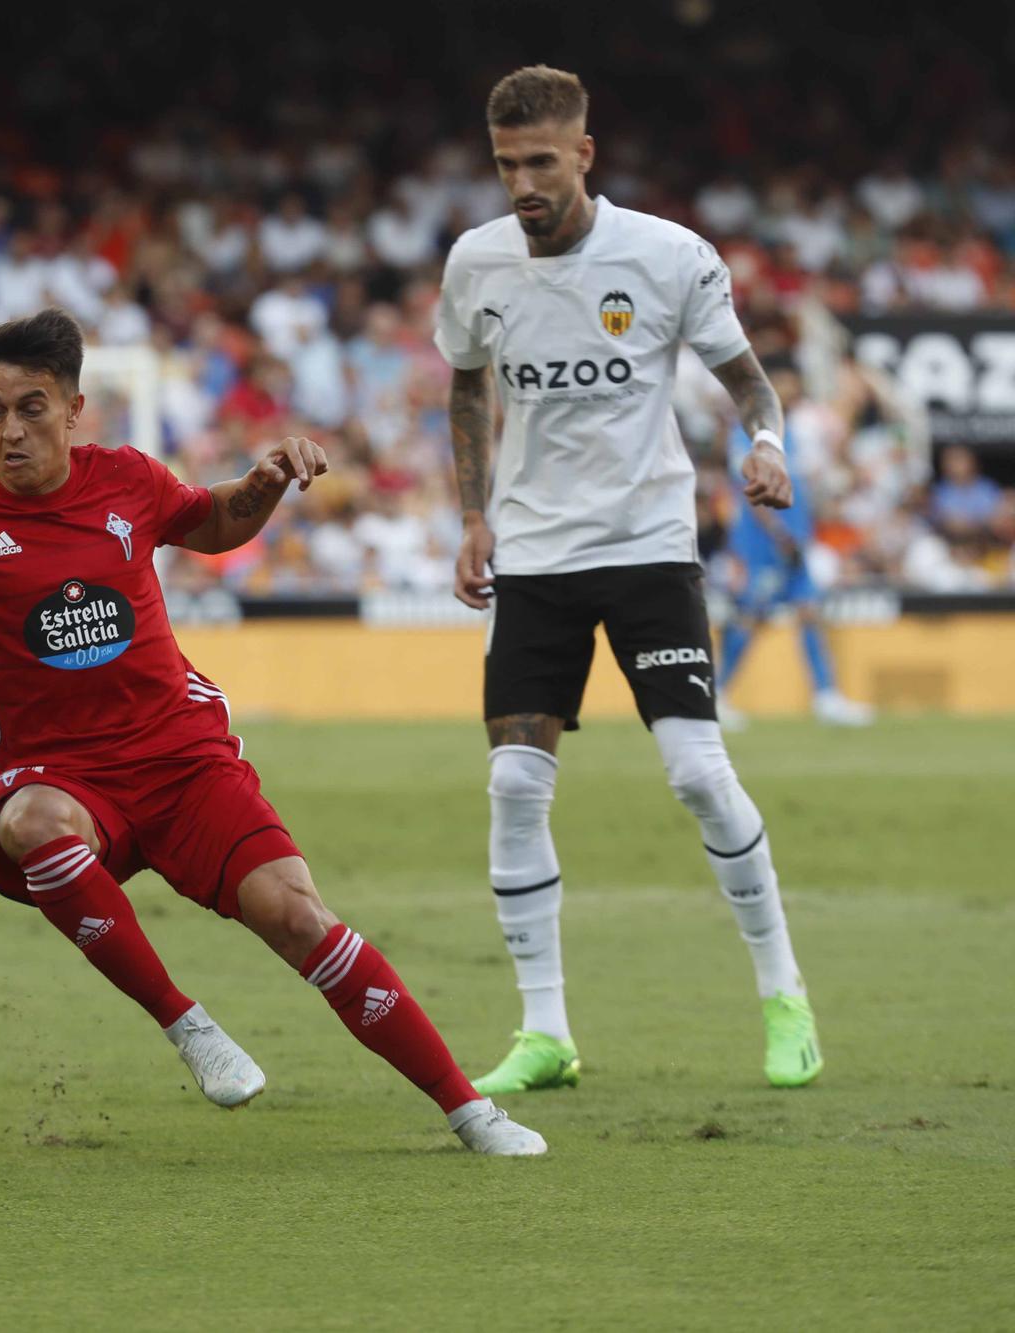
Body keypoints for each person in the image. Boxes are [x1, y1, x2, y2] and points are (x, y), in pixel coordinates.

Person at [0, 308, 549, 1156]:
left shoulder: (129, 479)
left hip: (184, 759)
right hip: (55, 773)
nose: (11, 430)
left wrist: (262, 486)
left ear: (75, 408)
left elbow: (214, 521)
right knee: (32, 822)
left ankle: (471, 1110)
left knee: (299, 915)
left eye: (32, 408)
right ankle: (187, 1024)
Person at [436, 66, 822, 1093]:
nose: (521, 180)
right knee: (513, 783)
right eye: (506, 162)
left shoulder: (663, 256)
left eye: (540, 161)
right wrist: (473, 516)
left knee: (697, 771)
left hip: (648, 546)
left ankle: (783, 995)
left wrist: (767, 443)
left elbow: (742, 374)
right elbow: (466, 387)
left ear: (582, 156)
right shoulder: (475, 263)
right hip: (534, 558)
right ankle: (545, 1031)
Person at [717, 362, 873, 728]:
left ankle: (826, 696)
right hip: (763, 546)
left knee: (809, 613)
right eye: (784, 382)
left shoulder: (795, 434)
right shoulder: (748, 433)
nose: (791, 389)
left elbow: (812, 478)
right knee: (750, 618)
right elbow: (750, 492)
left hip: (796, 543)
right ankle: (719, 694)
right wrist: (780, 535)